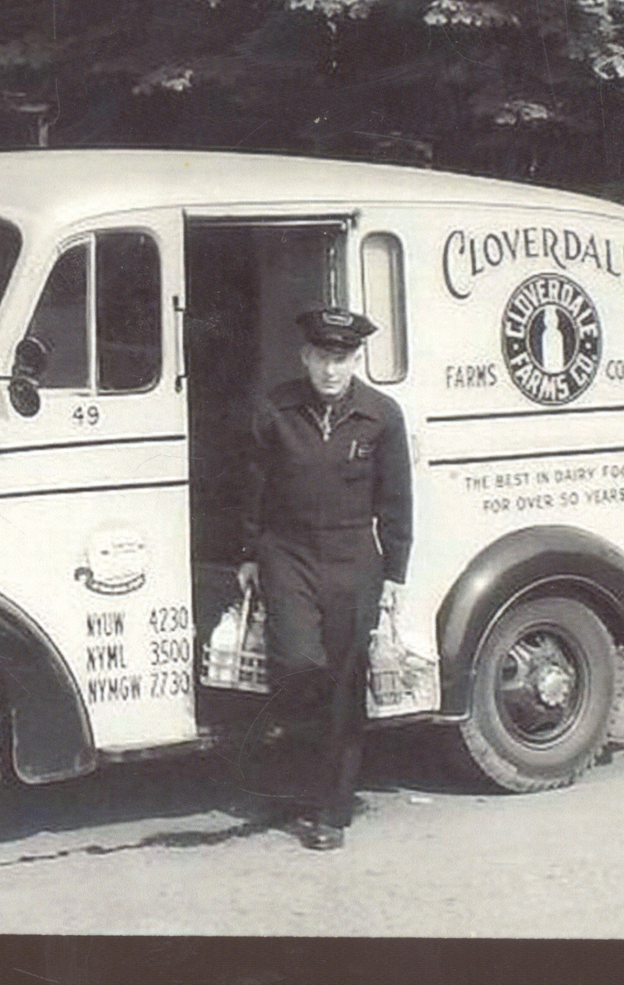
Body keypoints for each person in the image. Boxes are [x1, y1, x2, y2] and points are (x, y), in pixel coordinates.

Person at [237, 304, 413, 850]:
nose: (331, 370)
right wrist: (247, 554)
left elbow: (397, 499)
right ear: (305, 357)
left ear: (356, 359)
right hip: (286, 553)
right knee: (298, 664)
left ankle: (329, 810)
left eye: (341, 358)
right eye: (321, 358)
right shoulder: (275, 410)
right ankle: (288, 769)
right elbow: (252, 487)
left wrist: (396, 574)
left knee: (342, 682)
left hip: (353, 557)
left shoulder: (381, 416)